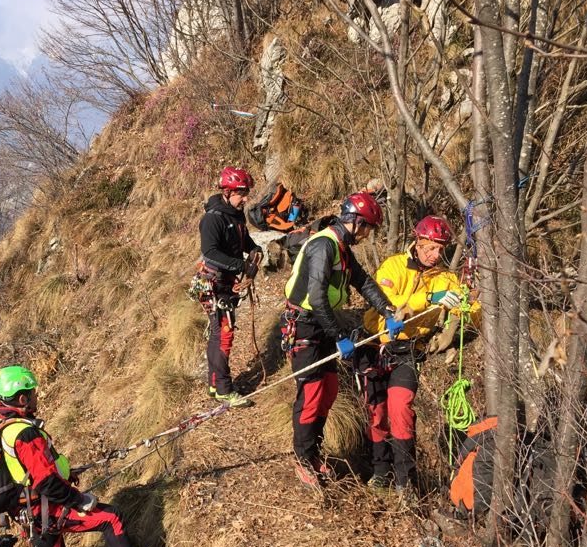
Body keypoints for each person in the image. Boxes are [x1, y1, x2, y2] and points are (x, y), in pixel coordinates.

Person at [0, 365, 166, 547]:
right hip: (47, 506)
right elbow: (47, 482)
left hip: (28, 512)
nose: (37, 396)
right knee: (111, 518)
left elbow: (29, 472)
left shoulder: (4, 428)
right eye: (32, 392)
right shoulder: (25, 433)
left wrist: (64, 474)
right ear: (22, 398)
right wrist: (79, 499)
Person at [281, 191, 403, 487]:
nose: (367, 235)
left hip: (322, 322)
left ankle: (313, 452)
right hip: (307, 325)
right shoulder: (324, 245)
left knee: (330, 390)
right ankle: (303, 458)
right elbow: (317, 297)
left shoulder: (342, 248)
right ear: (356, 222)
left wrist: (387, 310)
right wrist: (338, 336)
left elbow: (363, 282)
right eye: (368, 228)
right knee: (311, 395)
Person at [357, 215, 481, 493]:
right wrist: (427, 299)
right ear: (417, 242)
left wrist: (471, 303)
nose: (435, 255)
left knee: (400, 408)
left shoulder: (445, 278)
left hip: (409, 351)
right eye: (429, 248)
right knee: (377, 412)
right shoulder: (393, 267)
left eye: (440, 249)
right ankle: (380, 472)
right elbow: (383, 308)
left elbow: (471, 315)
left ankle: (405, 481)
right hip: (376, 345)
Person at [198, 165, 264, 407]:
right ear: (226, 192)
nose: (245, 198)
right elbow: (210, 253)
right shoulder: (212, 219)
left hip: (225, 283)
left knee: (219, 333)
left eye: (246, 192)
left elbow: (245, 242)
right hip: (213, 283)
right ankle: (224, 389)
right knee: (223, 334)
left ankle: (216, 385)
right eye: (241, 193)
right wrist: (241, 265)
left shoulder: (235, 216)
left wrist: (255, 251)